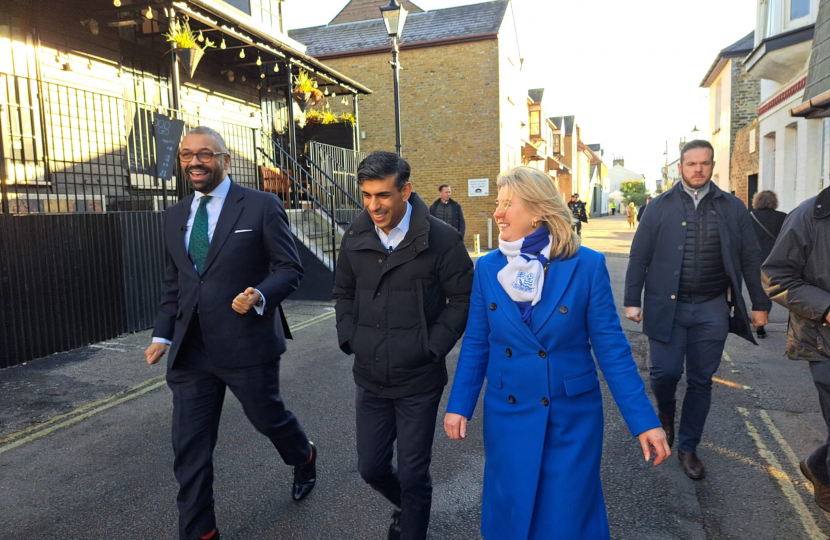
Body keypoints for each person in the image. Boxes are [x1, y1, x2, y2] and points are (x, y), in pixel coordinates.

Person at [443, 166, 668, 540]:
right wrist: (459, 404)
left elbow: (612, 349)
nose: (497, 213)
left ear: (537, 211)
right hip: (507, 413)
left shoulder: (586, 265)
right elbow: (477, 343)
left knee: (565, 517)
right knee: (512, 511)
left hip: (569, 418)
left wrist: (644, 420)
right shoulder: (487, 268)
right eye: (498, 204)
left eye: (507, 204)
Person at [143, 127, 317, 540]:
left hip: (247, 344)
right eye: (187, 154)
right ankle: (201, 533)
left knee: (268, 419)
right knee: (190, 448)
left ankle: (304, 455)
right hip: (191, 351)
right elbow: (176, 286)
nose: (194, 161)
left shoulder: (260, 205)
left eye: (204, 154)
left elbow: (290, 270)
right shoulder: (174, 215)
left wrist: (260, 294)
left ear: (225, 159)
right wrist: (162, 335)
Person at [333, 151, 473, 540]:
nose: (373, 205)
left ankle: (412, 525)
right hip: (371, 377)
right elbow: (343, 291)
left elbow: (462, 299)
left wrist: (432, 347)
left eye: (383, 196)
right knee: (371, 468)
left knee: (413, 474)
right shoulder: (355, 235)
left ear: (406, 190)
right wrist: (350, 337)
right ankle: (408, 507)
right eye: (366, 195)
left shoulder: (441, 240)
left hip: (418, 380)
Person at [624, 139, 770, 480]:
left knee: (701, 380)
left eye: (704, 163)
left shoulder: (733, 207)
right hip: (666, 309)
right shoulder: (658, 207)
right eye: (692, 164)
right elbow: (639, 255)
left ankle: (689, 447)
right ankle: (666, 415)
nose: (698, 169)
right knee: (664, 374)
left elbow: (750, 257)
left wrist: (760, 305)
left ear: (711, 166)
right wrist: (632, 299)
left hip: (711, 308)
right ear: (680, 167)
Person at [762, 184, 830, 513]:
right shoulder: (808, 215)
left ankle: (819, 466)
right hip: (824, 341)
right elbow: (775, 276)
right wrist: (827, 308)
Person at [749, 190, 787, 339]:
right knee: (771, 290)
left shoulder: (750, 217)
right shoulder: (783, 217)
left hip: (755, 260)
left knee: (758, 291)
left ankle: (760, 324)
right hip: (774, 260)